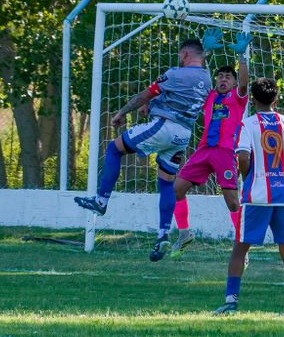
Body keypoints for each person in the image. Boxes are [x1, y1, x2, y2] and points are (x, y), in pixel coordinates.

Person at [74, 38, 212, 262]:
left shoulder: (175, 73)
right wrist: (155, 104)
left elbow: (145, 95)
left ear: (185, 54)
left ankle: (101, 201)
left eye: (180, 55)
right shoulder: (206, 78)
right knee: (166, 182)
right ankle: (162, 235)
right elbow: (173, 96)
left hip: (163, 127)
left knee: (114, 149)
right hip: (183, 135)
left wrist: (122, 112)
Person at [213, 78, 284, 317]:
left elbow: (242, 158)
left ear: (252, 100)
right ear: (276, 99)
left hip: (257, 196)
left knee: (240, 248)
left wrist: (248, 177)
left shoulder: (248, 125)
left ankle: (231, 302)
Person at [170, 28, 251, 257]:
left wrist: (243, 56)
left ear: (234, 83)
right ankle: (184, 233)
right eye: (220, 76)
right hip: (204, 150)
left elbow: (245, 82)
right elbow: (197, 74)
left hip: (225, 152)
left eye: (228, 77)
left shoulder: (237, 98)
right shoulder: (210, 95)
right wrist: (205, 51)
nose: (223, 79)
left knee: (233, 203)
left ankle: (242, 247)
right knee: (176, 189)